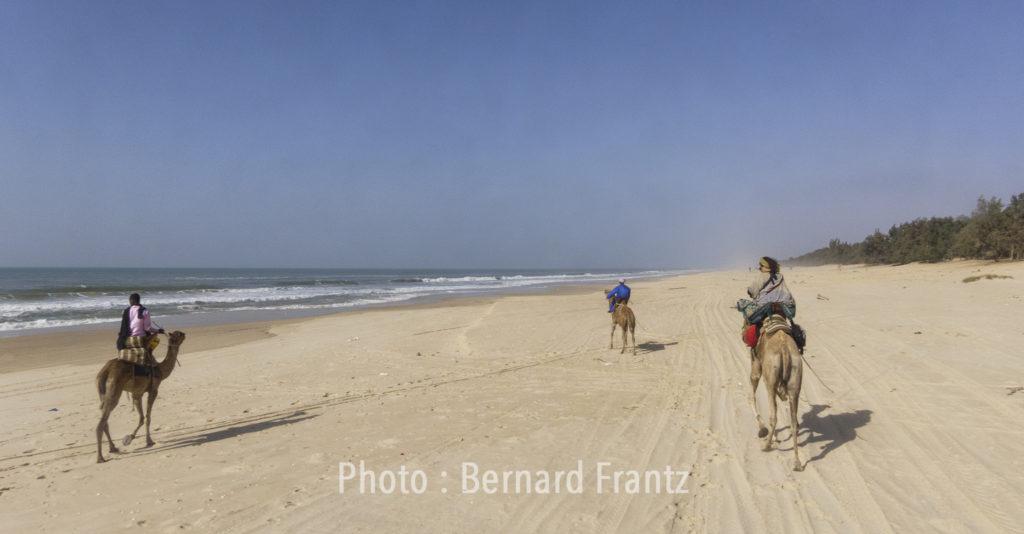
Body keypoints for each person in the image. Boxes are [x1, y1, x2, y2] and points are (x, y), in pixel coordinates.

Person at [116, 293, 164, 365]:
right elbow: (147, 328)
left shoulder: (125, 311)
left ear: (131, 301)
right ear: (138, 300)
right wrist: (158, 331)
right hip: (140, 339)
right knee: (156, 340)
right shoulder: (145, 311)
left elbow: (124, 327)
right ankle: (149, 355)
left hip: (127, 340)